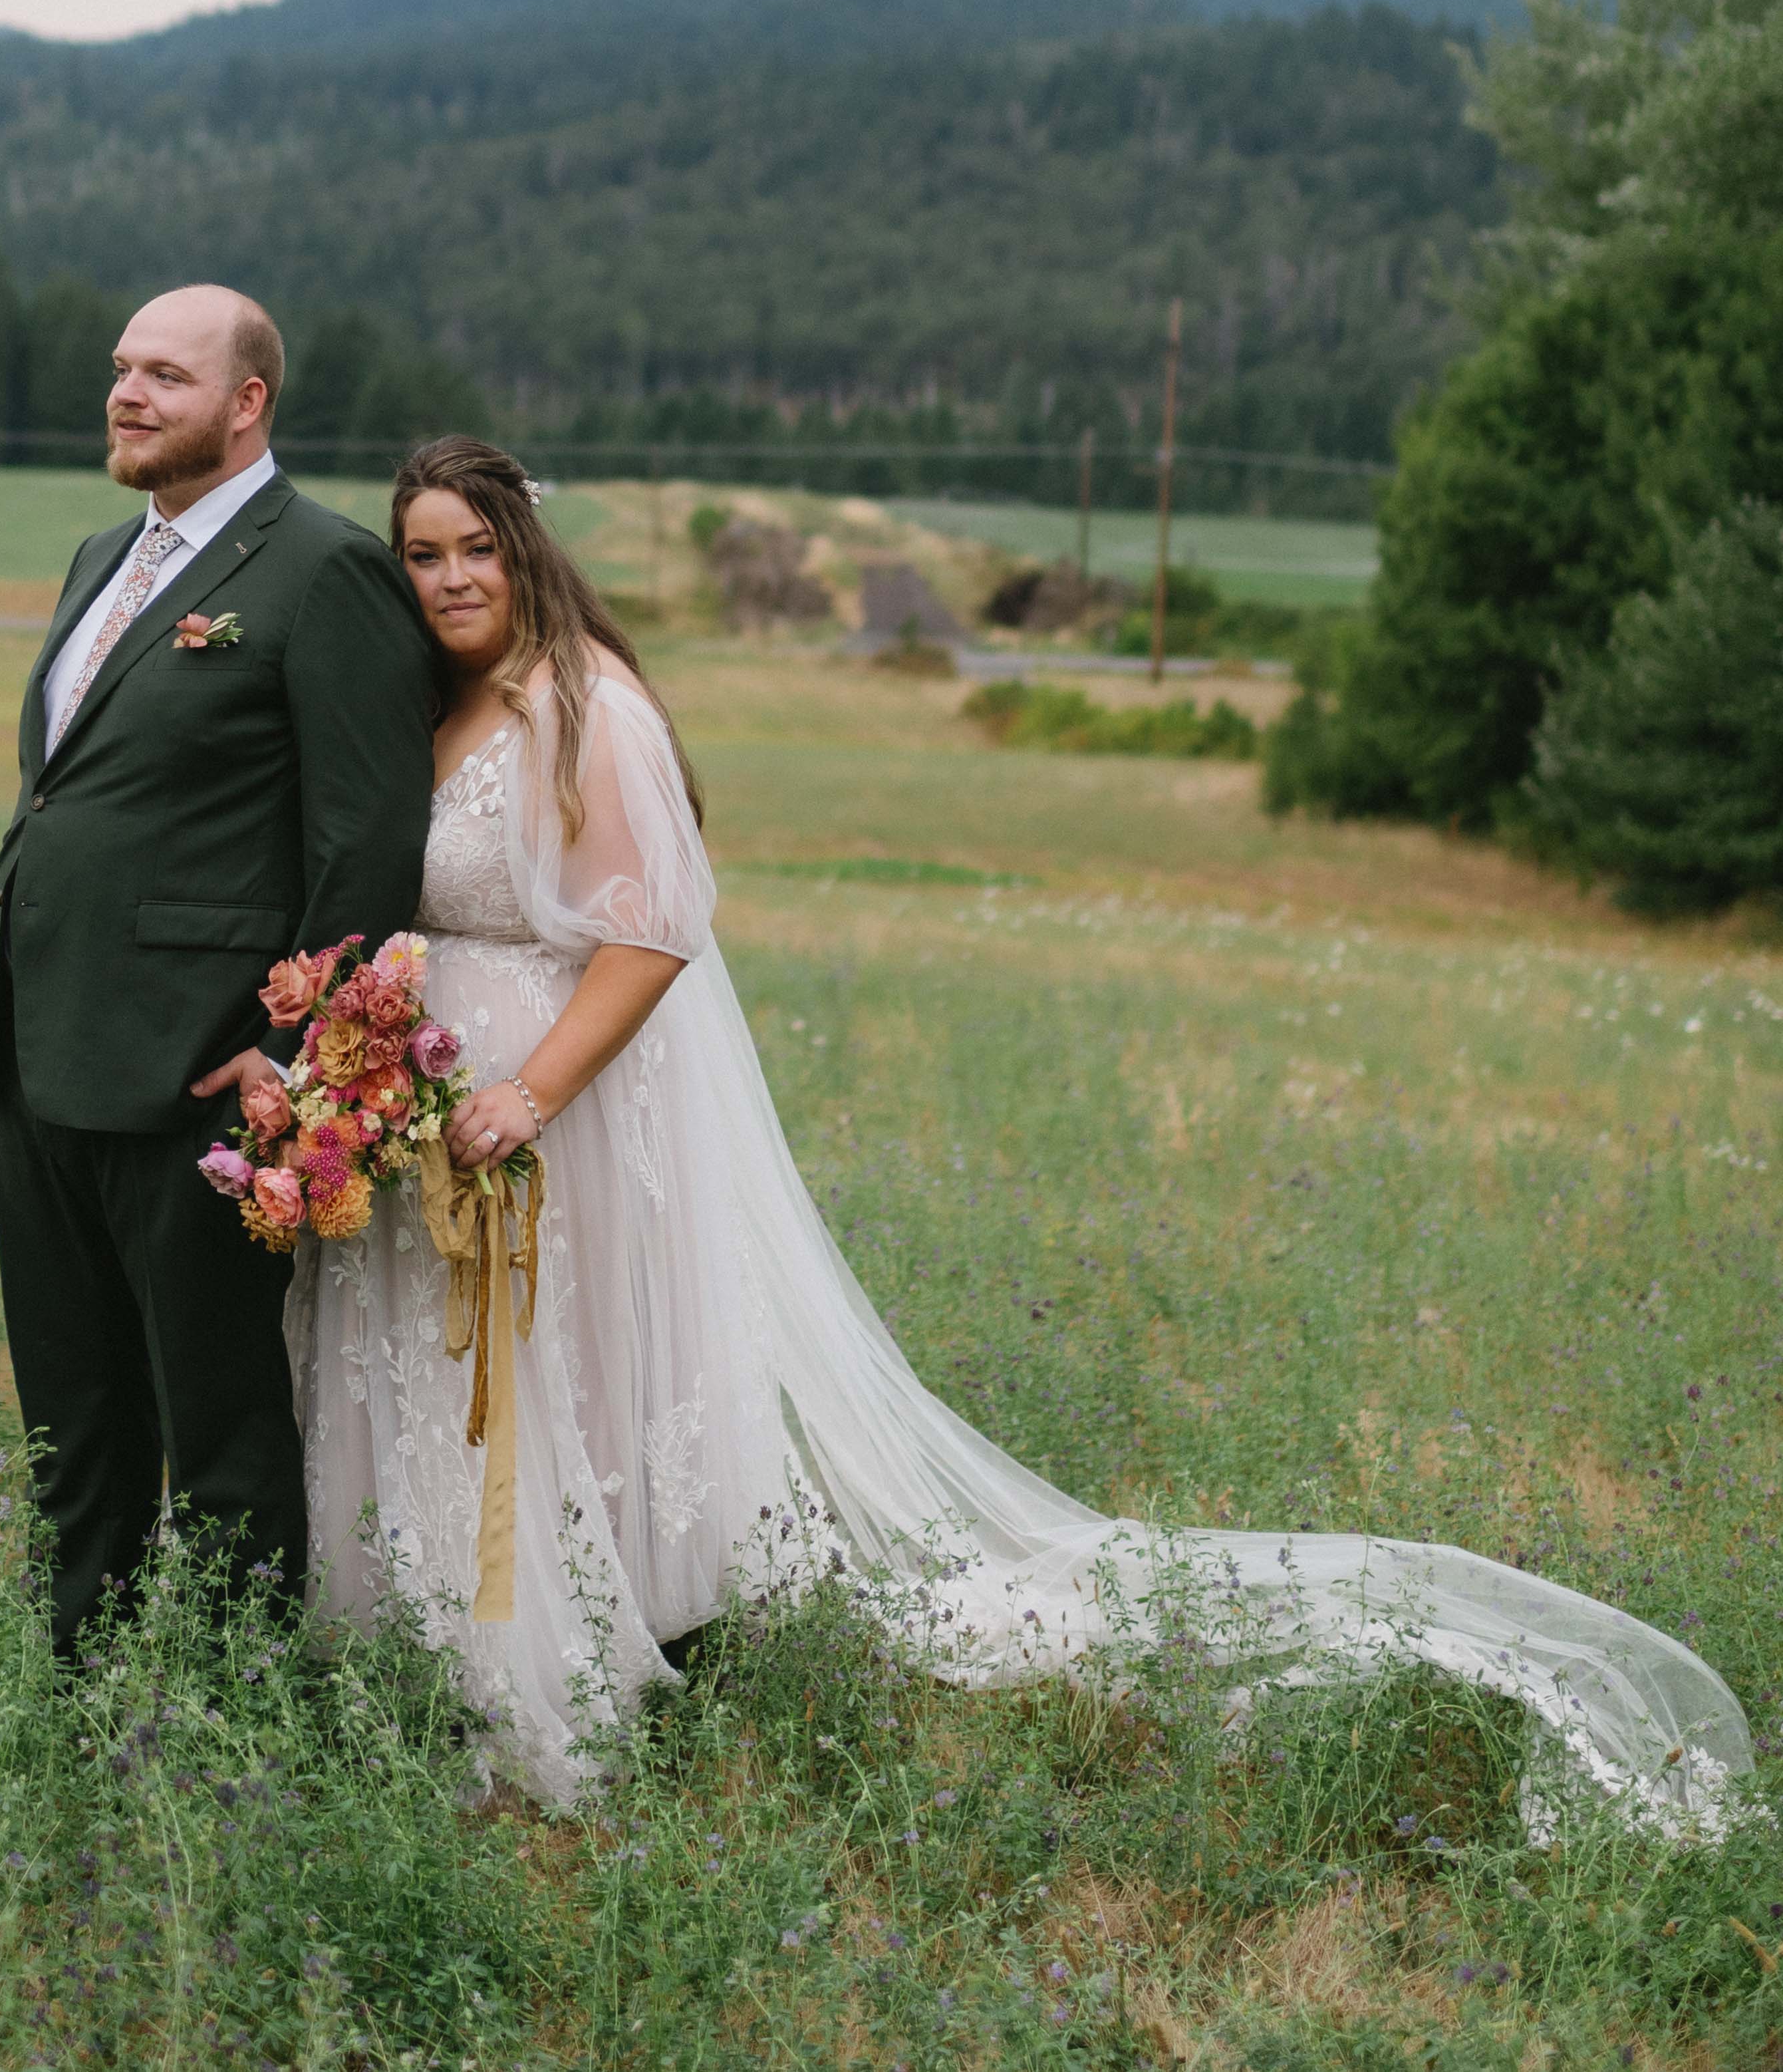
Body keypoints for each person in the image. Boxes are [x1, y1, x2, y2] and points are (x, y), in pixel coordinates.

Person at [291, 434, 1753, 1821]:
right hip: (434, 1109)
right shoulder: (435, 708)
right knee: (467, 1382)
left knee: (546, 1386)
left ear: (525, 549)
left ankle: (567, 1670)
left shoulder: (584, 705)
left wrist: (531, 1088)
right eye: (420, 556)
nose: (449, 579)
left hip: (556, 1106)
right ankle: (433, 1644)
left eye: (475, 547)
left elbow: (655, 933)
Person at [0, 285, 434, 1655]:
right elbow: (53, 808)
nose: (126, 393)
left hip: (201, 1081)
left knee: (217, 1431)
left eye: (164, 374)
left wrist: (294, 1065)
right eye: (120, 370)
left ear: (246, 404)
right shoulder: (100, 555)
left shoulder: (320, 570)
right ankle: (80, 1695)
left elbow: (363, 842)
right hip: (42, 1068)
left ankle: (234, 1741)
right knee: (72, 1418)